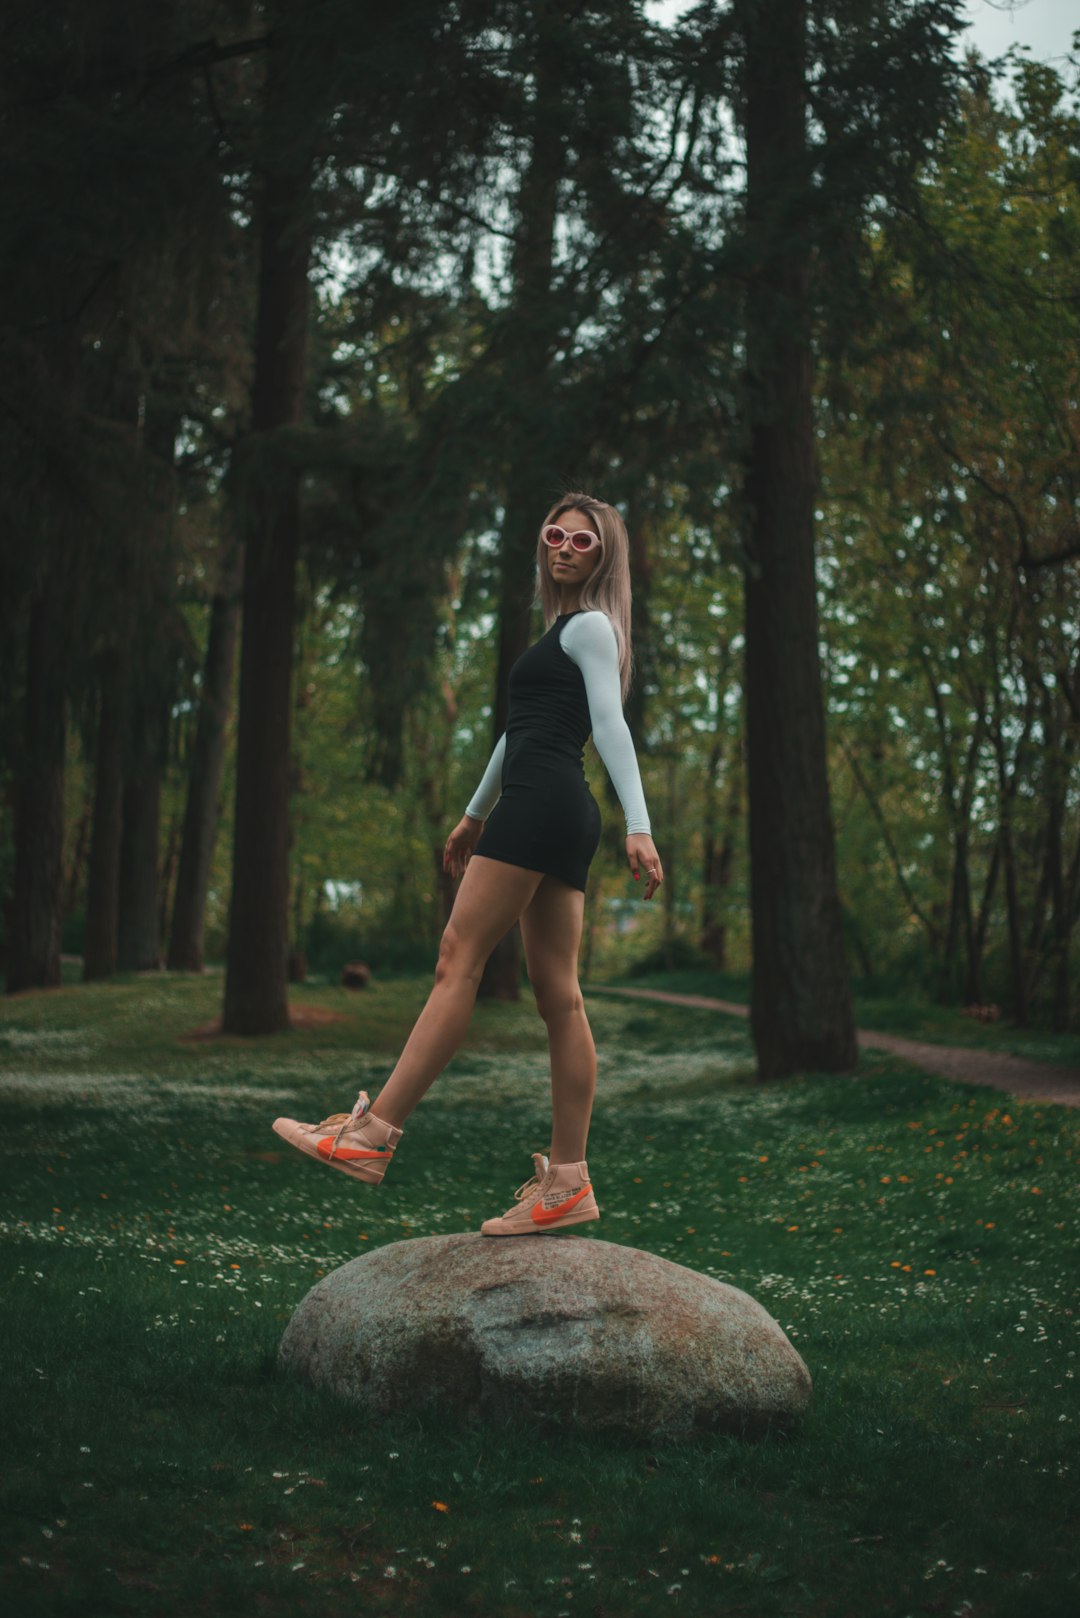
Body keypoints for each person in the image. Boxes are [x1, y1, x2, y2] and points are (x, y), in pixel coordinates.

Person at [273, 491, 664, 1235]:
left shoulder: (588, 627)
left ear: (603, 556)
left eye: (583, 542)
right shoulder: (566, 631)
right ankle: (568, 1184)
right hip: (556, 806)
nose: (564, 548)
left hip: (545, 799)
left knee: (458, 958)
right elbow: (518, 733)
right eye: (555, 534)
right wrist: (474, 812)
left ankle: (369, 1136)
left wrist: (639, 826)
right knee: (561, 998)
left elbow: (611, 727)